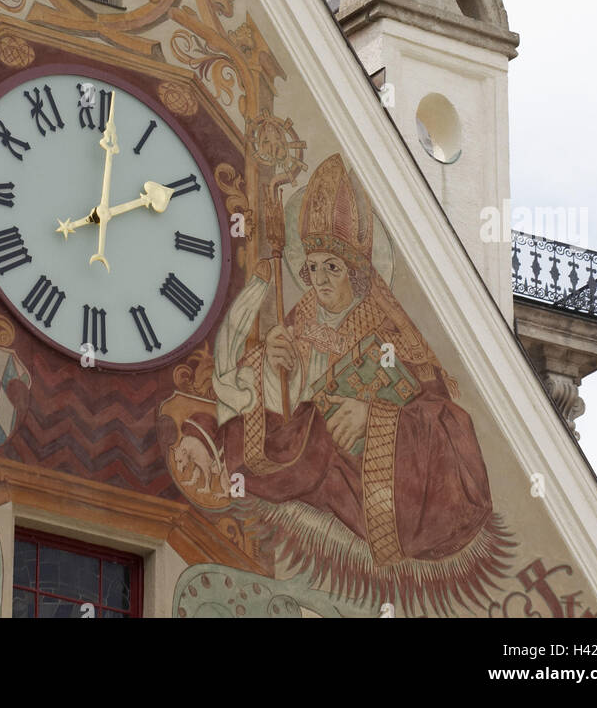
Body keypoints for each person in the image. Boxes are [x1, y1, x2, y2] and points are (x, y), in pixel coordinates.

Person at [210, 154, 510, 611]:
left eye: (333, 267)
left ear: (357, 271)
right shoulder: (304, 313)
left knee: (319, 437)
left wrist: (375, 416)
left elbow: (443, 415)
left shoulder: (389, 332)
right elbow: (267, 394)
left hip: (372, 464)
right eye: (313, 267)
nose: (321, 279)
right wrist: (273, 362)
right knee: (262, 435)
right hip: (310, 448)